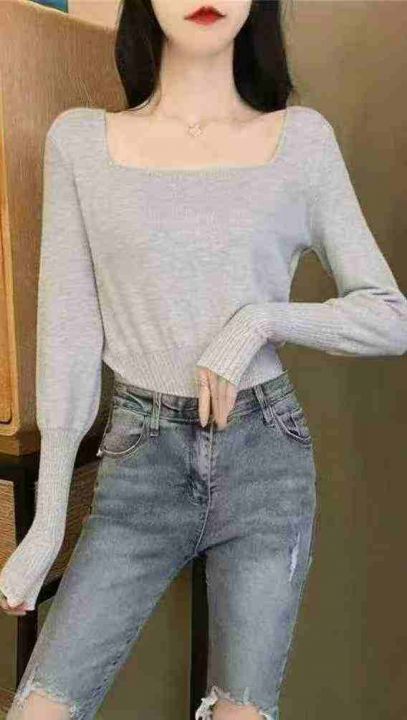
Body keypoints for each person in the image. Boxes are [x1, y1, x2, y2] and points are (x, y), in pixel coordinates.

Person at [1, 0, 407, 718]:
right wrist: (49, 520)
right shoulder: (81, 143)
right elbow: (67, 336)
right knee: (39, 709)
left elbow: (389, 315)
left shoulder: (300, 140)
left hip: (264, 459)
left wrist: (259, 321)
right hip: (140, 460)